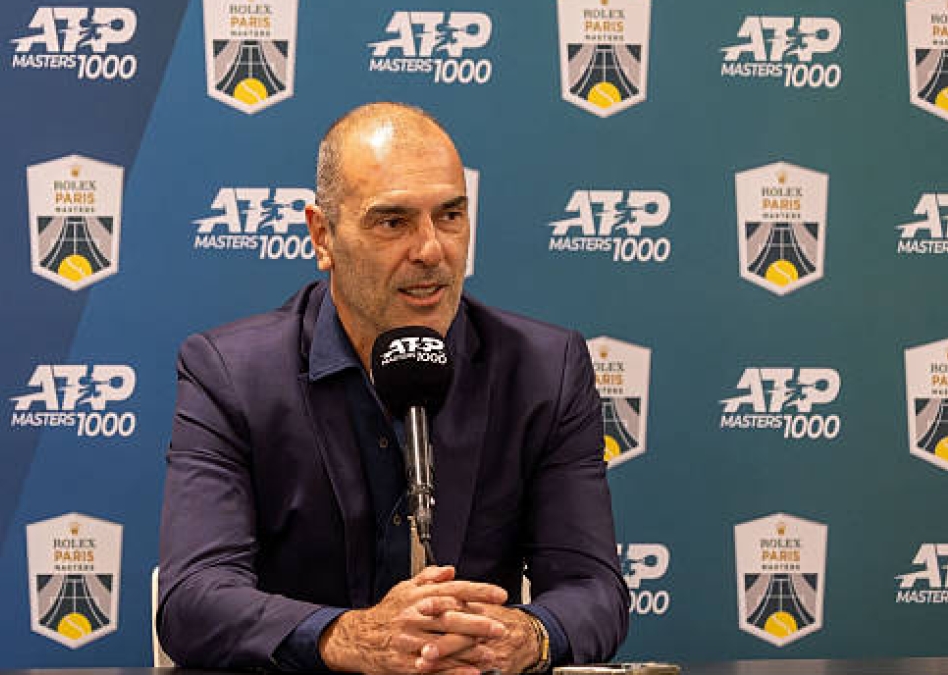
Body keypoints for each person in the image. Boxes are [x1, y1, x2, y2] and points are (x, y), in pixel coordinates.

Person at [158, 102, 628, 674]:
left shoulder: (545, 369)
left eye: (450, 216)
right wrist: (350, 637)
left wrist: (521, 635)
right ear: (323, 235)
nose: (431, 250)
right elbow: (194, 598)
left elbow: (594, 589)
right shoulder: (230, 374)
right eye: (393, 222)